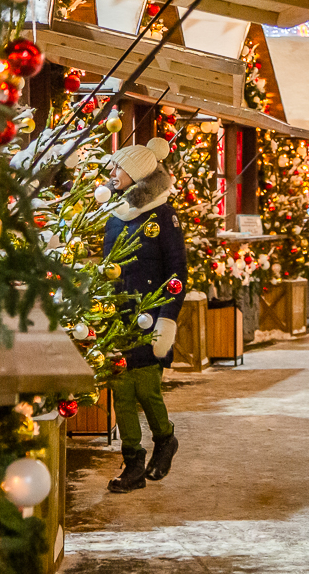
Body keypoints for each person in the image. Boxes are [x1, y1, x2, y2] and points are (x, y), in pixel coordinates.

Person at [103, 137, 187, 493]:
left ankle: (165, 439)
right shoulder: (114, 215)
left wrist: (167, 318)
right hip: (118, 317)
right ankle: (133, 462)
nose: (112, 172)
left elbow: (177, 272)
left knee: (147, 389)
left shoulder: (163, 216)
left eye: (118, 167)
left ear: (136, 174)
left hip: (150, 316)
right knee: (121, 389)